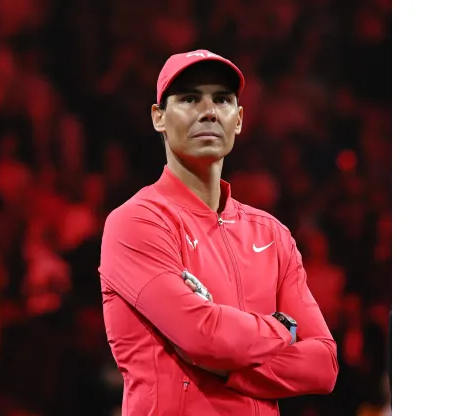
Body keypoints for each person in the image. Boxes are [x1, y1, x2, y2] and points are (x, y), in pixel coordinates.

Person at [98, 49, 338, 415]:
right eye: (190, 98)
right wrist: (281, 329)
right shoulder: (136, 222)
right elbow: (202, 336)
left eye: (222, 100)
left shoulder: (272, 234)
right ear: (158, 118)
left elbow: (323, 365)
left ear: (238, 120)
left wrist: (230, 371)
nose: (208, 111)